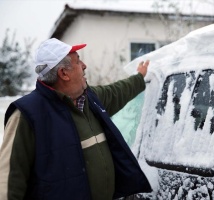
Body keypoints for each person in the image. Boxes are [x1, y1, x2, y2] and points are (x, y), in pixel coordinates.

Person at [0, 38, 152, 200]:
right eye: (78, 61)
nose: (84, 65)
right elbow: (8, 182)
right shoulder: (26, 115)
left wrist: (139, 77)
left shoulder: (89, 99)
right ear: (64, 73)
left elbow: (117, 92)